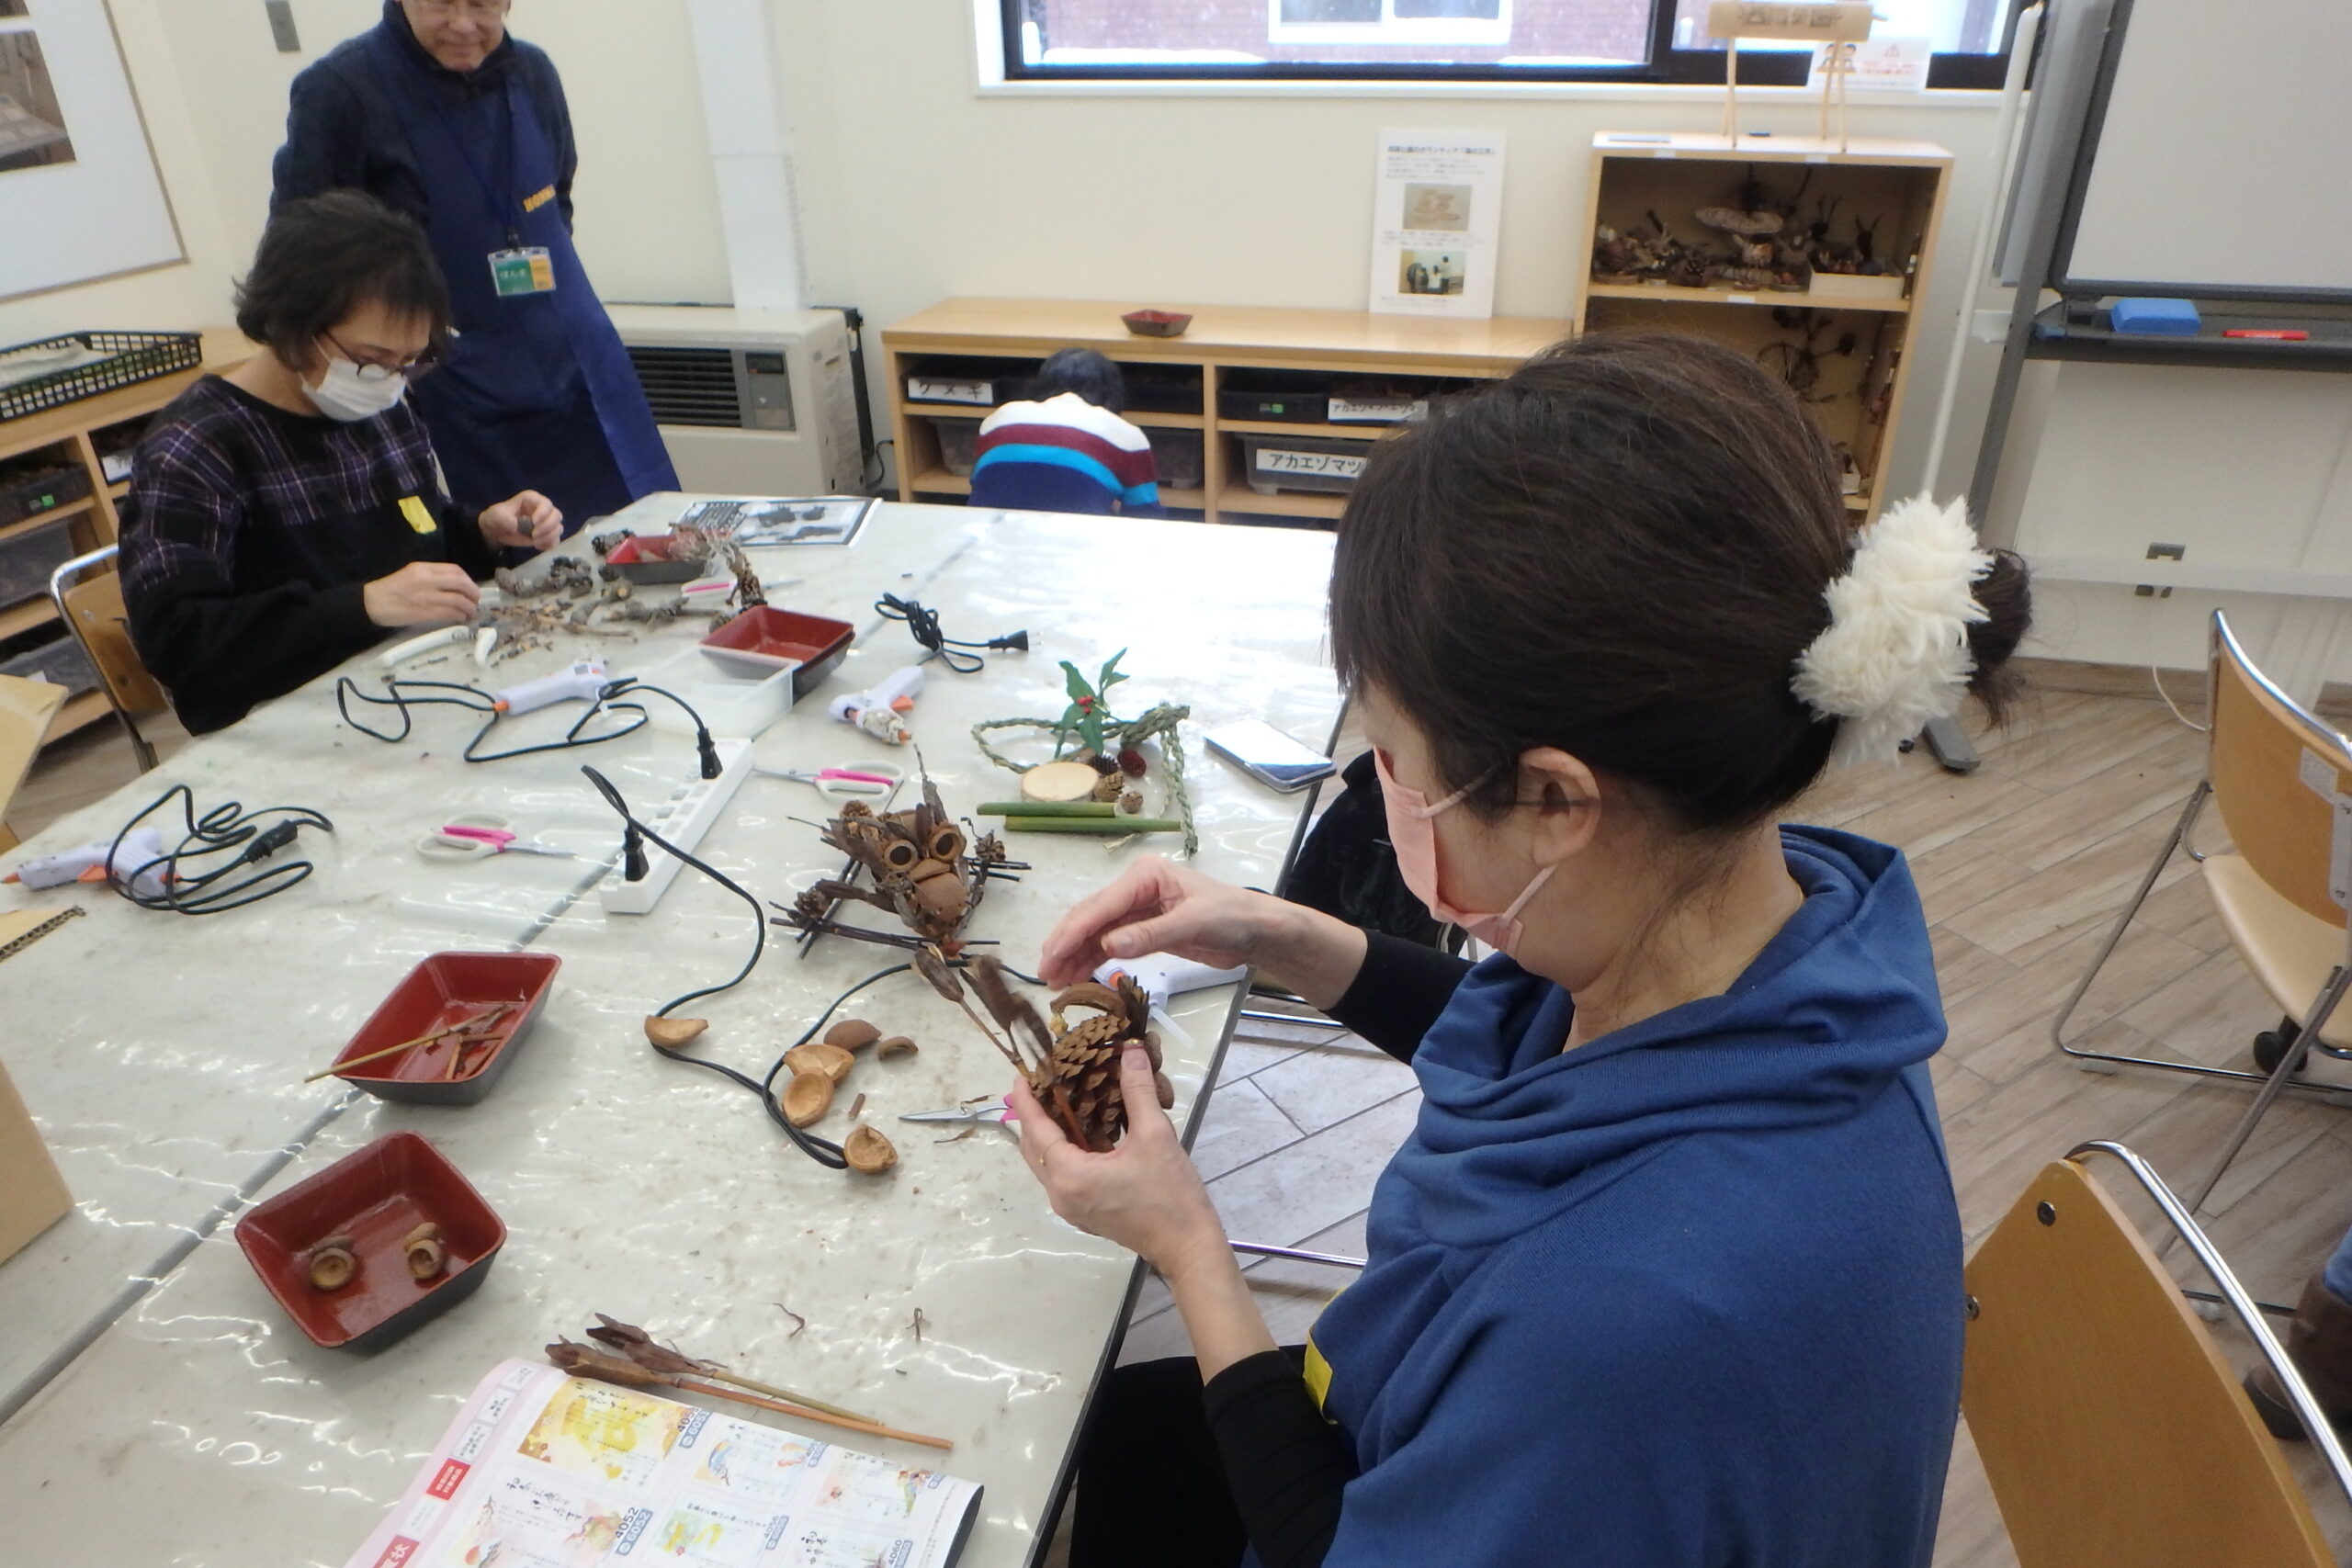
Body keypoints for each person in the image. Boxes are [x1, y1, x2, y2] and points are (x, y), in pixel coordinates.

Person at [1010, 333, 2033, 1568]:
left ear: (1554, 798)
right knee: (1132, 1430)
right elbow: (1529, 1038)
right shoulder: (1782, 936)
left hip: (1457, 1483)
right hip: (1470, 1439)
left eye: (1393, 758)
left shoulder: (1608, 1322)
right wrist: (1271, 929)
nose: (1381, 787)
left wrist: (1185, 1240)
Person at [119, 191, 560, 735]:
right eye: (373, 360)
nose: (391, 380)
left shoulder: (379, 406)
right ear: (291, 323)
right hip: (282, 726)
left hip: (412, 683)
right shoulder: (196, 446)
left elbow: (417, 536)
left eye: (409, 362)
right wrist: (362, 606)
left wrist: (482, 533)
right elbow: (178, 641)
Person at [271, 0, 677, 532]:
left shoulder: (533, 73)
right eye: (442, 3)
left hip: (575, 358)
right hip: (456, 377)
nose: (464, 25)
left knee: (648, 534)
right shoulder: (340, 91)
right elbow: (302, 250)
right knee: (519, 549)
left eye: (483, 4)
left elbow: (557, 201)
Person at [967, 348, 1163, 517]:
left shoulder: (998, 419)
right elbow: (1146, 518)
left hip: (984, 537)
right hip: (1070, 544)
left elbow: (982, 485)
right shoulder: (1125, 435)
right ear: (1111, 396)